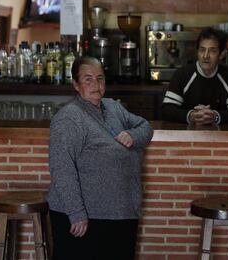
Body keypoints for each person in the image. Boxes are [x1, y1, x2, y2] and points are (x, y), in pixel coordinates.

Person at [47, 57, 153, 260]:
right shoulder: (69, 118)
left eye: (100, 78)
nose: (96, 85)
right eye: (88, 79)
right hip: (87, 218)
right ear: (75, 85)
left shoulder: (113, 107)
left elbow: (145, 127)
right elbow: (61, 168)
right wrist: (76, 212)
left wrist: (133, 136)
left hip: (121, 212)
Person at [162, 27, 228, 125]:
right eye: (202, 50)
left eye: (212, 51)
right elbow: (166, 110)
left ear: (221, 54)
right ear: (197, 52)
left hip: (219, 136)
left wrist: (215, 116)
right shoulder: (182, 74)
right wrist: (191, 116)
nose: (206, 56)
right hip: (187, 135)